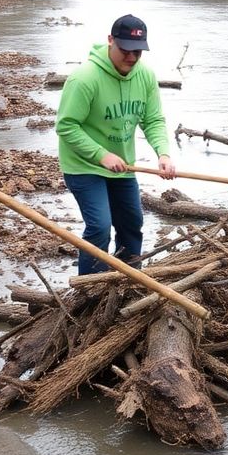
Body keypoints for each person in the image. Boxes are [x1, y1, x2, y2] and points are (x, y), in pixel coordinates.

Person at [56, 14, 175, 273]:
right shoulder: (84, 78)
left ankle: (129, 280)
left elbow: (153, 119)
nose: (131, 58)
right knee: (99, 226)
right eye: (125, 51)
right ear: (110, 41)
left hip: (122, 167)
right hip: (83, 165)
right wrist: (101, 155)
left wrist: (163, 153)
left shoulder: (145, 76)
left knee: (132, 223)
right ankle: (89, 290)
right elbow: (65, 126)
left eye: (138, 52)